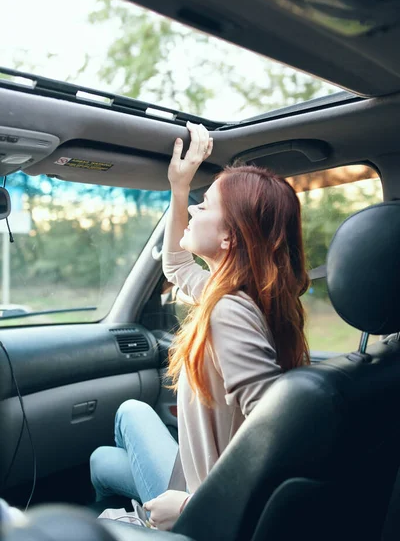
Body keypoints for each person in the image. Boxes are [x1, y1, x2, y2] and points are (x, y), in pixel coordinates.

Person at [90, 121, 310, 530]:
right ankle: (137, 515)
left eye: (204, 205)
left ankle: (137, 525)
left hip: (211, 503)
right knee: (105, 456)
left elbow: (281, 440)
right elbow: (174, 264)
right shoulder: (235, 292)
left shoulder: (229, 311)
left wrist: (190, 506)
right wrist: (179, 185)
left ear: (230, 236)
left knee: (126, 419)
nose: (193, 208)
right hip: (196, 476)